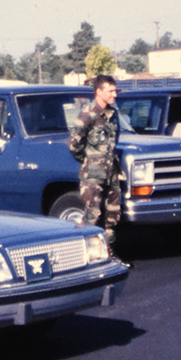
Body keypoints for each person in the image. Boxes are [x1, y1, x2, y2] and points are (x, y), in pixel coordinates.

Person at [68, 74, 124, 260]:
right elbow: (74, 144)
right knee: (92, 216)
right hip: (93, 176)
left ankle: (109, 256)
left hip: (111, 174)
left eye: (115, 90)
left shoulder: (113, 114)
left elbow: (113, 142)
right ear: (98, 92)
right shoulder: (88, 114)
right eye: (111, 91)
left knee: (112, 217)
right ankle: (85, 257)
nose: (114, 95)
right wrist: (90, 161)